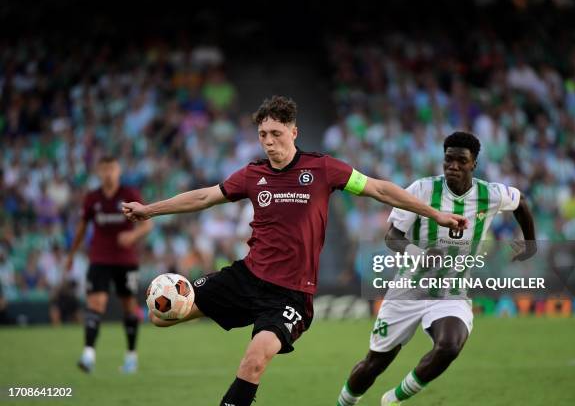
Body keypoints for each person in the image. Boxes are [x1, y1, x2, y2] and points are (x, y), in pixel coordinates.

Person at [122, 96, 467, 406]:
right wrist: (149, 210)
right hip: (246, 277)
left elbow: (378, 189)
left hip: (289, 295)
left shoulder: (323, 169)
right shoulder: (251, 174)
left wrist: (436, 214)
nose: (269, 142)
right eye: (263, 135)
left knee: (254, 360)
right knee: (161, 316)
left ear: (294, 132)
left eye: (276, 133)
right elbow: (203, 197)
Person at [335, 132, 537, 406]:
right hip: (407, 291)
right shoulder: (422, 190)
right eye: (448, 159)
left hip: (450, 292)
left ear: (473, 164)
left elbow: (521, 202)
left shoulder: (489, 194)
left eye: (461, 161)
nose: (453, 165)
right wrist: (418, 253)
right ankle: (344, 403)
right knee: (374, 364)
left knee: (450, 346)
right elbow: (392, 236)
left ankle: (393, 399)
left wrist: (530, 244)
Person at [65, 156, 153, 373]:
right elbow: (82, 228)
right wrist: (71, 255)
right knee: (95, 305)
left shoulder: (129, 195)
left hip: (126, 260)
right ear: (98, 172)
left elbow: (147, 225)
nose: (108, 173)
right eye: (104, 169)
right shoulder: (92, 198)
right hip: (100, 259)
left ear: (118, 170)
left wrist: (132, 237)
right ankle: (88, 355)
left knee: (128, 308)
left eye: (112, 169)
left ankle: (131, 356)